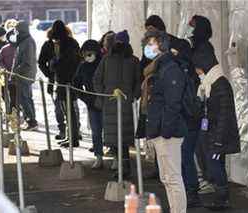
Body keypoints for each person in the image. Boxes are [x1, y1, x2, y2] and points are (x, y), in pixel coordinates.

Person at [142, 29, 187, 213]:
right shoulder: (160, 67)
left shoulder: (170, 68)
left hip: (168, 133)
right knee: (167, 178)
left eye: (151, 43)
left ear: (161, 45)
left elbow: (173, 103)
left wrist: (165, 131)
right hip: (161, 131)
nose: (147, 47)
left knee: (173, 178)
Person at [192, 41, 240, 211]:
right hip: (211, 134)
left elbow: (225, 115)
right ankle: (220, 197)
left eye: (197, 67)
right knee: (213, 166)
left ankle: (222, 198)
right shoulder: (208, 85)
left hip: (218, 136)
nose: (196, 71)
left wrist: (219, 141)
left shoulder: (220, 85)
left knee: (216, 167)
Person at [94, 30, 141, 178]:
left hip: (117, 104)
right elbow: (97, 79)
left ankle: (123, 169)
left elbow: (97, 79)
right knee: (120, 139)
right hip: (118, 104)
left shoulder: (111, 60)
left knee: (119, 138)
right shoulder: (126, 60)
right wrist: (133, 96)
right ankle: (123, 168)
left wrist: (104, 97)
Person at [182, 15, 217, 208]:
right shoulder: (196, 49)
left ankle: (204, 183)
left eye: (191, 26)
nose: (188, 29)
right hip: (196, 109)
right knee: (194, 148)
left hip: (199, 110)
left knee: (196, 148)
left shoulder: (202, 51)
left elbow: (203, 81)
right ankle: (202, 182)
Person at [49, 20, 81, 147]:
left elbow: (59, 63)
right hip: (71, 80)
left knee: (68, 110)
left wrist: (53, 64)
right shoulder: (73, 42)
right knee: (69, 110)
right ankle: (71, 136)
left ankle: (72, 138)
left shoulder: (61, 44)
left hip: (64, 81)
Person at [73, 39, 103, 169]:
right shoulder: (83, 66)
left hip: (107, 102)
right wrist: (86, 98)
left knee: (110, 131)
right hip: (92, 104)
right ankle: (99, 156)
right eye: (85, 54)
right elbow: (76, 83)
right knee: (96, 131)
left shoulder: (104, 62)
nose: (87, 56)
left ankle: (115, 156)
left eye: (90, 53)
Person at [12, 21, 38, 131]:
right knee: (25, 98)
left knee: (25, 98)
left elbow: (27, 61)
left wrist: (16, 71)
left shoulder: (28, 42)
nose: (16, 33)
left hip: (25, 74)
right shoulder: (23, 41)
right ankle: (30, 119)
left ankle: (31, 121)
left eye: (17, 30)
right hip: (22, 74)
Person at [0, 29, 18, 113]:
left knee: (16, 96)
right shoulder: (4, 48)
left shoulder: (20, 47)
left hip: (18, 76)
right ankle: (10, 111)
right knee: (6, 95)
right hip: (6, 76)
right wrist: (4, 69)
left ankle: (14, 111)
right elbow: (0, 61)